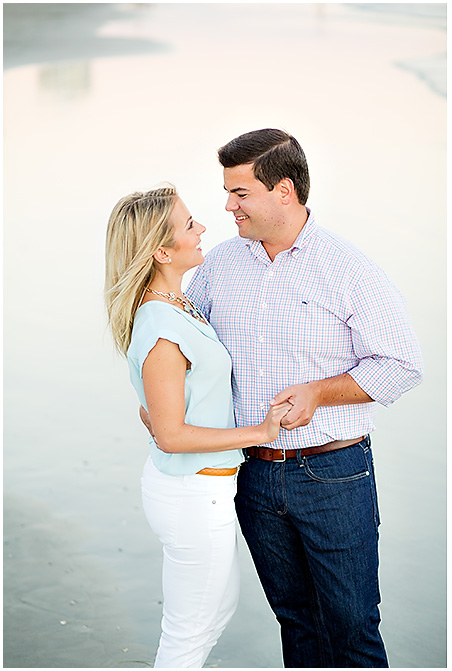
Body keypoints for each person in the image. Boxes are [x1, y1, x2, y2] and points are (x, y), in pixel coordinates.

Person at [183, 128, 424, 668]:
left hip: (333, 473)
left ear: (284, 191)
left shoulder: (349, 269)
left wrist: (320, 391)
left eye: (240, 193)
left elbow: (404, 364)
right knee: (296, 623)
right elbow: (184, 345)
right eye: (227, 192)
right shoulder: (219, 265)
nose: (227, 206)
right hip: (251, 473)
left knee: (353, 626)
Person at [104, 186, 291, 667]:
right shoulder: (162, 325)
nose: (204, 227)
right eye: (190, 224)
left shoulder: (179, 306)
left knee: (212, 615)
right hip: (192, 493)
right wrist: (261, 432)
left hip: (202, 489)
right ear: (162, 251)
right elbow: (171, 435)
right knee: (188, 635)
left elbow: (161, 411)